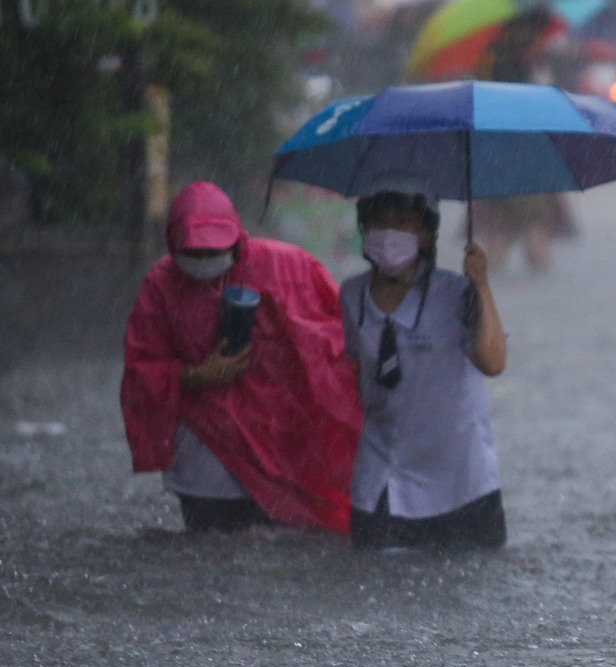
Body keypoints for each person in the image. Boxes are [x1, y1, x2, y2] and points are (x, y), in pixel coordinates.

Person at [121, 183, 361, 534]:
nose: (205, 262)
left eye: (214, 251)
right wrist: (194, 374)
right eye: (194, 253)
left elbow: (334, 338)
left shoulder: (285, 268)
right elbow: (140, 371)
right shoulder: (160, 286)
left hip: (279, 445)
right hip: (206, 459)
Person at [341, 180, 510, 549]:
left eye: (403, 223)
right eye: (378, 223)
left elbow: (494, 361)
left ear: (427, 234)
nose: (389, 234)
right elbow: (359, 378)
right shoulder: (351, 295)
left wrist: (481, 284)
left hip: (460, 486)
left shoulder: (455, 293)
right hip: (380, 483)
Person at [476, 6, 572, 272]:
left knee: (504, 218)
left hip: (499, 146)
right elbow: (520, 104)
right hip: (518, 147)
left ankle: (498, 267)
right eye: (539, 34)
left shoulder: (498, 56)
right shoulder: (509, 61)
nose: (542, 40)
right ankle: (531, 258)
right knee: (529, 217)